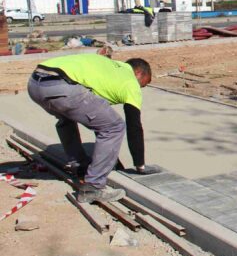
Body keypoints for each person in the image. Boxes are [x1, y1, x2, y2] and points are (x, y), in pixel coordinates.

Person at [27, 54, 157, 203]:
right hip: (62, 87)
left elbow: (98, 117)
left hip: (35, 83)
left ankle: (80, 166)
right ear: (139, 73)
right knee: (114, 127)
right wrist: (140, 165)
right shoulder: (130, 83)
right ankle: (93, 187)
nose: (141, 88)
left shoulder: (110, 68)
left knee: (67, 118)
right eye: (143, 84)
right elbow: (134, 127)